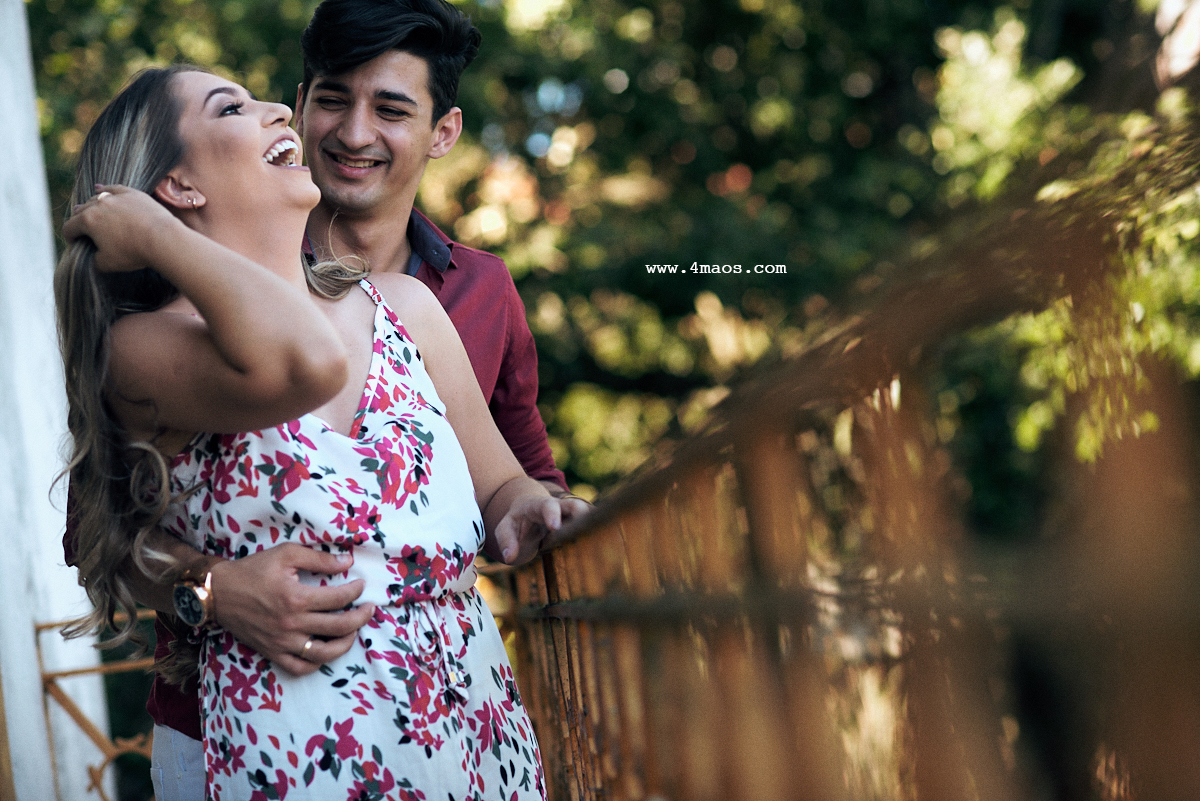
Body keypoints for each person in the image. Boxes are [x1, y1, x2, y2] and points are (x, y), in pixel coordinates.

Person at [59, 1, 582, 796]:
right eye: (326, 98)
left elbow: (506, 479)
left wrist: (529, 507)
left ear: (442, 131)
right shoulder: (148, 346)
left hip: (467, 726)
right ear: (176, 184)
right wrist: (211, 591)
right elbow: (300, 363)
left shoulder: (417, 303)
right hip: (282, 747)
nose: (338, 128)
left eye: (392, 108)